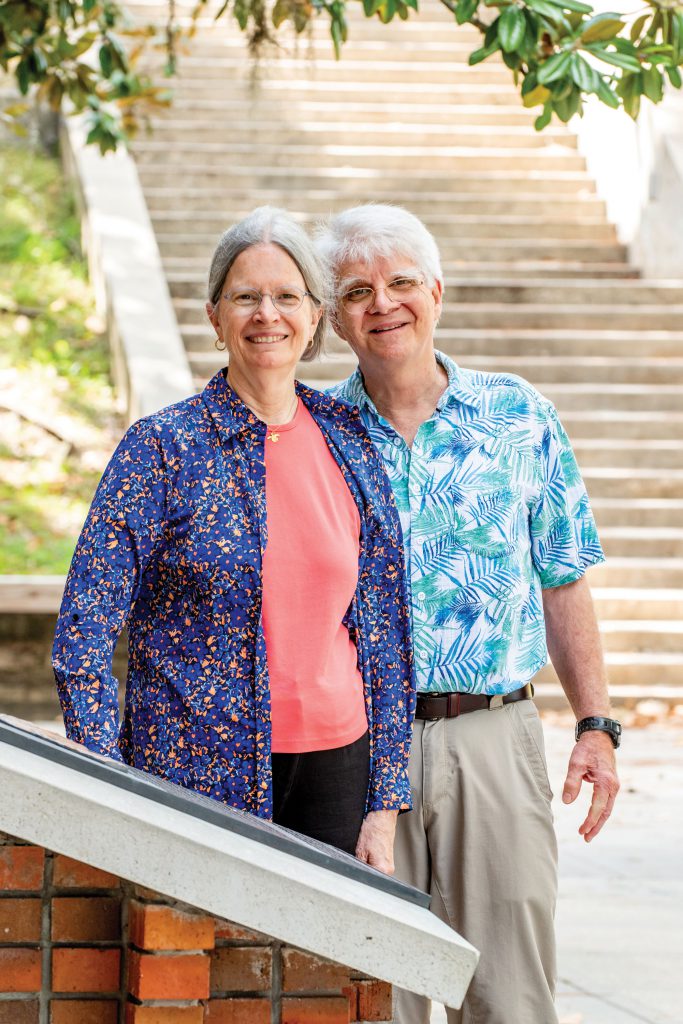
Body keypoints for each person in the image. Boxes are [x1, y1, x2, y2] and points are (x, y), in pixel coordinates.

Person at [316, 204, 621, 1023]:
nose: (383, 303)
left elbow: (563, 581)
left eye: (401, 282)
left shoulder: (518, 416)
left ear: (437, 292)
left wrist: (596, 725)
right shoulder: (315, 431)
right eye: (356, 290)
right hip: (357, 749)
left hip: (493, 734)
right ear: (334, 316)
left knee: (510, 992)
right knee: (382, 992)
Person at [52, 206, 414, 870]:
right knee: (194, 965)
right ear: (214, 315)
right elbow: (84, 627)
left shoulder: (351, 441)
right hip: (189, 768)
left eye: (286, 297)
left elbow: (385, 630)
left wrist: (383, 804)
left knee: (315, 971)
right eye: (245, 297)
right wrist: (108, 776)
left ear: (313, 318)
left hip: (335, 765)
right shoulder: (162, 448)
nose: (265, 315)